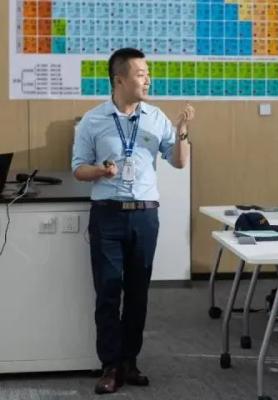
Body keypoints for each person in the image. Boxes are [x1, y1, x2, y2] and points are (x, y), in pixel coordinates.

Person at [71, 48, 194, 394]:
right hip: (107, 214)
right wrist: (100, 170)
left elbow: (179, 162)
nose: (148, 80)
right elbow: (78, 168)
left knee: (138, 293)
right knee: (109, 291)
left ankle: (130, 361)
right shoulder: (93, 120)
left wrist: (182, 131)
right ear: (119, 79)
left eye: (148, 73)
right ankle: (110, 365)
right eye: (141, 74)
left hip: (145, 215)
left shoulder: (156, 118)